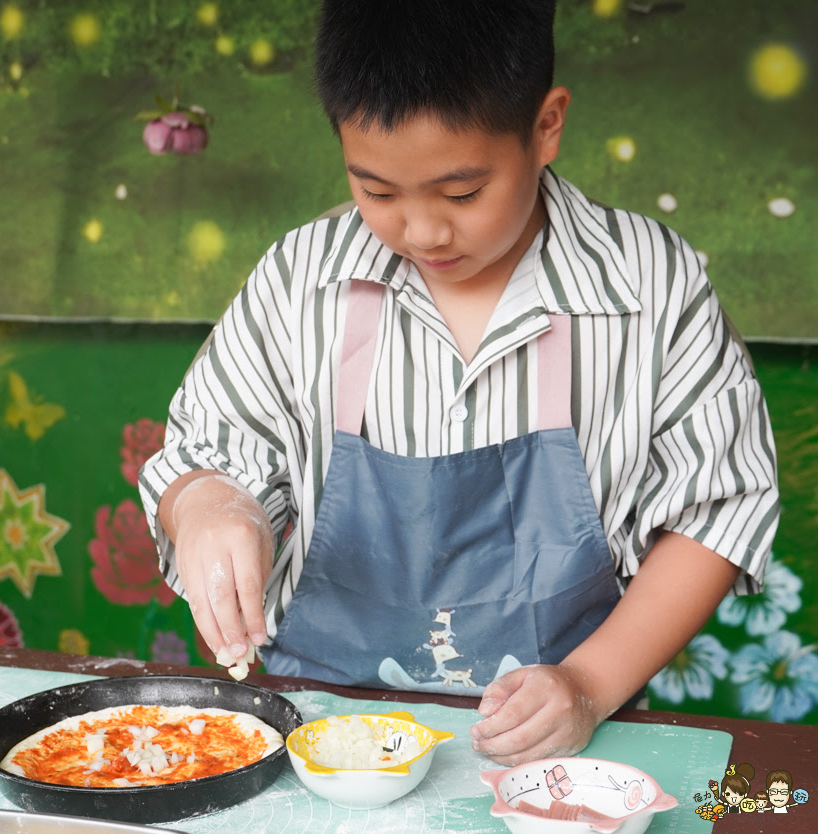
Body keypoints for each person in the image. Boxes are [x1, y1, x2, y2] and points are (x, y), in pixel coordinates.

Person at [139, 0, 779, 765]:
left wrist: (587, 683)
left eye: (462, 193)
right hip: (325, 742)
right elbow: (199, 456)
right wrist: (212, 505)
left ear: (546, 125)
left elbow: (719, 506)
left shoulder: (650, 284)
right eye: (377, 191)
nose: (422, 231)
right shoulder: (298, 280)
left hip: (561, 752)